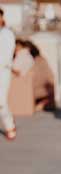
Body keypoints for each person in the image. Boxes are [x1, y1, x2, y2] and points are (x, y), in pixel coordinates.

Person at [24, 41, 55, 111]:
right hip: (45, 83)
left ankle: (42, 102)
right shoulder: (40, 59)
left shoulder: (36, 60)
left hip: (41, 84)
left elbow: (36, 75)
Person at [0, 7, 16, 140]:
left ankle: (9, 125)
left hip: (3, 71)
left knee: (1, 101)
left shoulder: (7, 34)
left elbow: (7, 55)